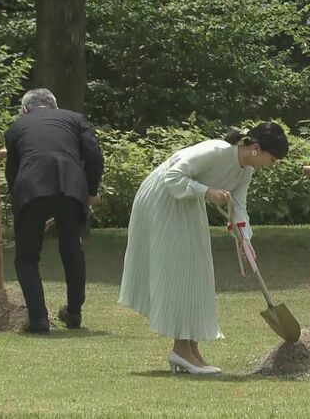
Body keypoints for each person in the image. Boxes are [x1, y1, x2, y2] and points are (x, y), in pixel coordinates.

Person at [119, 122, 289, 375]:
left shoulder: (245, 172)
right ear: (256, 148)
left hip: (187, 202)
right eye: (272, 159)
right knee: (180, 270)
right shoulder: (217, 150)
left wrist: (245, 239)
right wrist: (207, 191)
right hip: (163, 197)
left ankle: (191, 349)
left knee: (197, 270)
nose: (271, 165)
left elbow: (239, 209)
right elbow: (172, 176)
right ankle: (180, 349)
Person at [4, 88, 104, 334]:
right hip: (71, 188)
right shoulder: (75, 119)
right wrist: (91, 190)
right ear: (54, 106)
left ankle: (38, 319)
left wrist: (19, 204)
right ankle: (73, 312)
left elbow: (12, 172)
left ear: (25, 109)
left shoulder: (16, 128)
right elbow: (94, 156)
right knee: (72, 250)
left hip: (31, 189)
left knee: (26, 258)